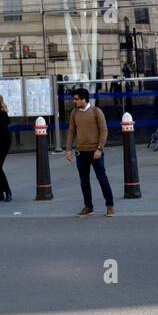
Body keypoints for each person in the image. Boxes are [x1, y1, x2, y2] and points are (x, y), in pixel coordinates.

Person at [65, 87, 113, 217]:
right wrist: (68, 149)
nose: (74, 102)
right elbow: (71, 131)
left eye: (76, 99)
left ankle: (109, 205)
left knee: (102, 179)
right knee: (84, 181)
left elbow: (104, 130)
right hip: (81, 152)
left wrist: (99, 148)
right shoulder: (74, 113)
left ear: (83, 99)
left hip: (95, 152)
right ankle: (88, 206)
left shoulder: (96, 111)